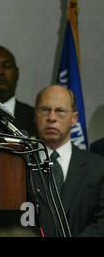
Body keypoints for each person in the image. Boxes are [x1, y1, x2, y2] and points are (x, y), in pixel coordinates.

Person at [33, 85, 104, 236]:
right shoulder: (18, 164)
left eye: (60, 111)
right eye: (45, 110)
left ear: (74, 118)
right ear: (35, 115)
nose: (52, 118)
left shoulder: (98, 167)